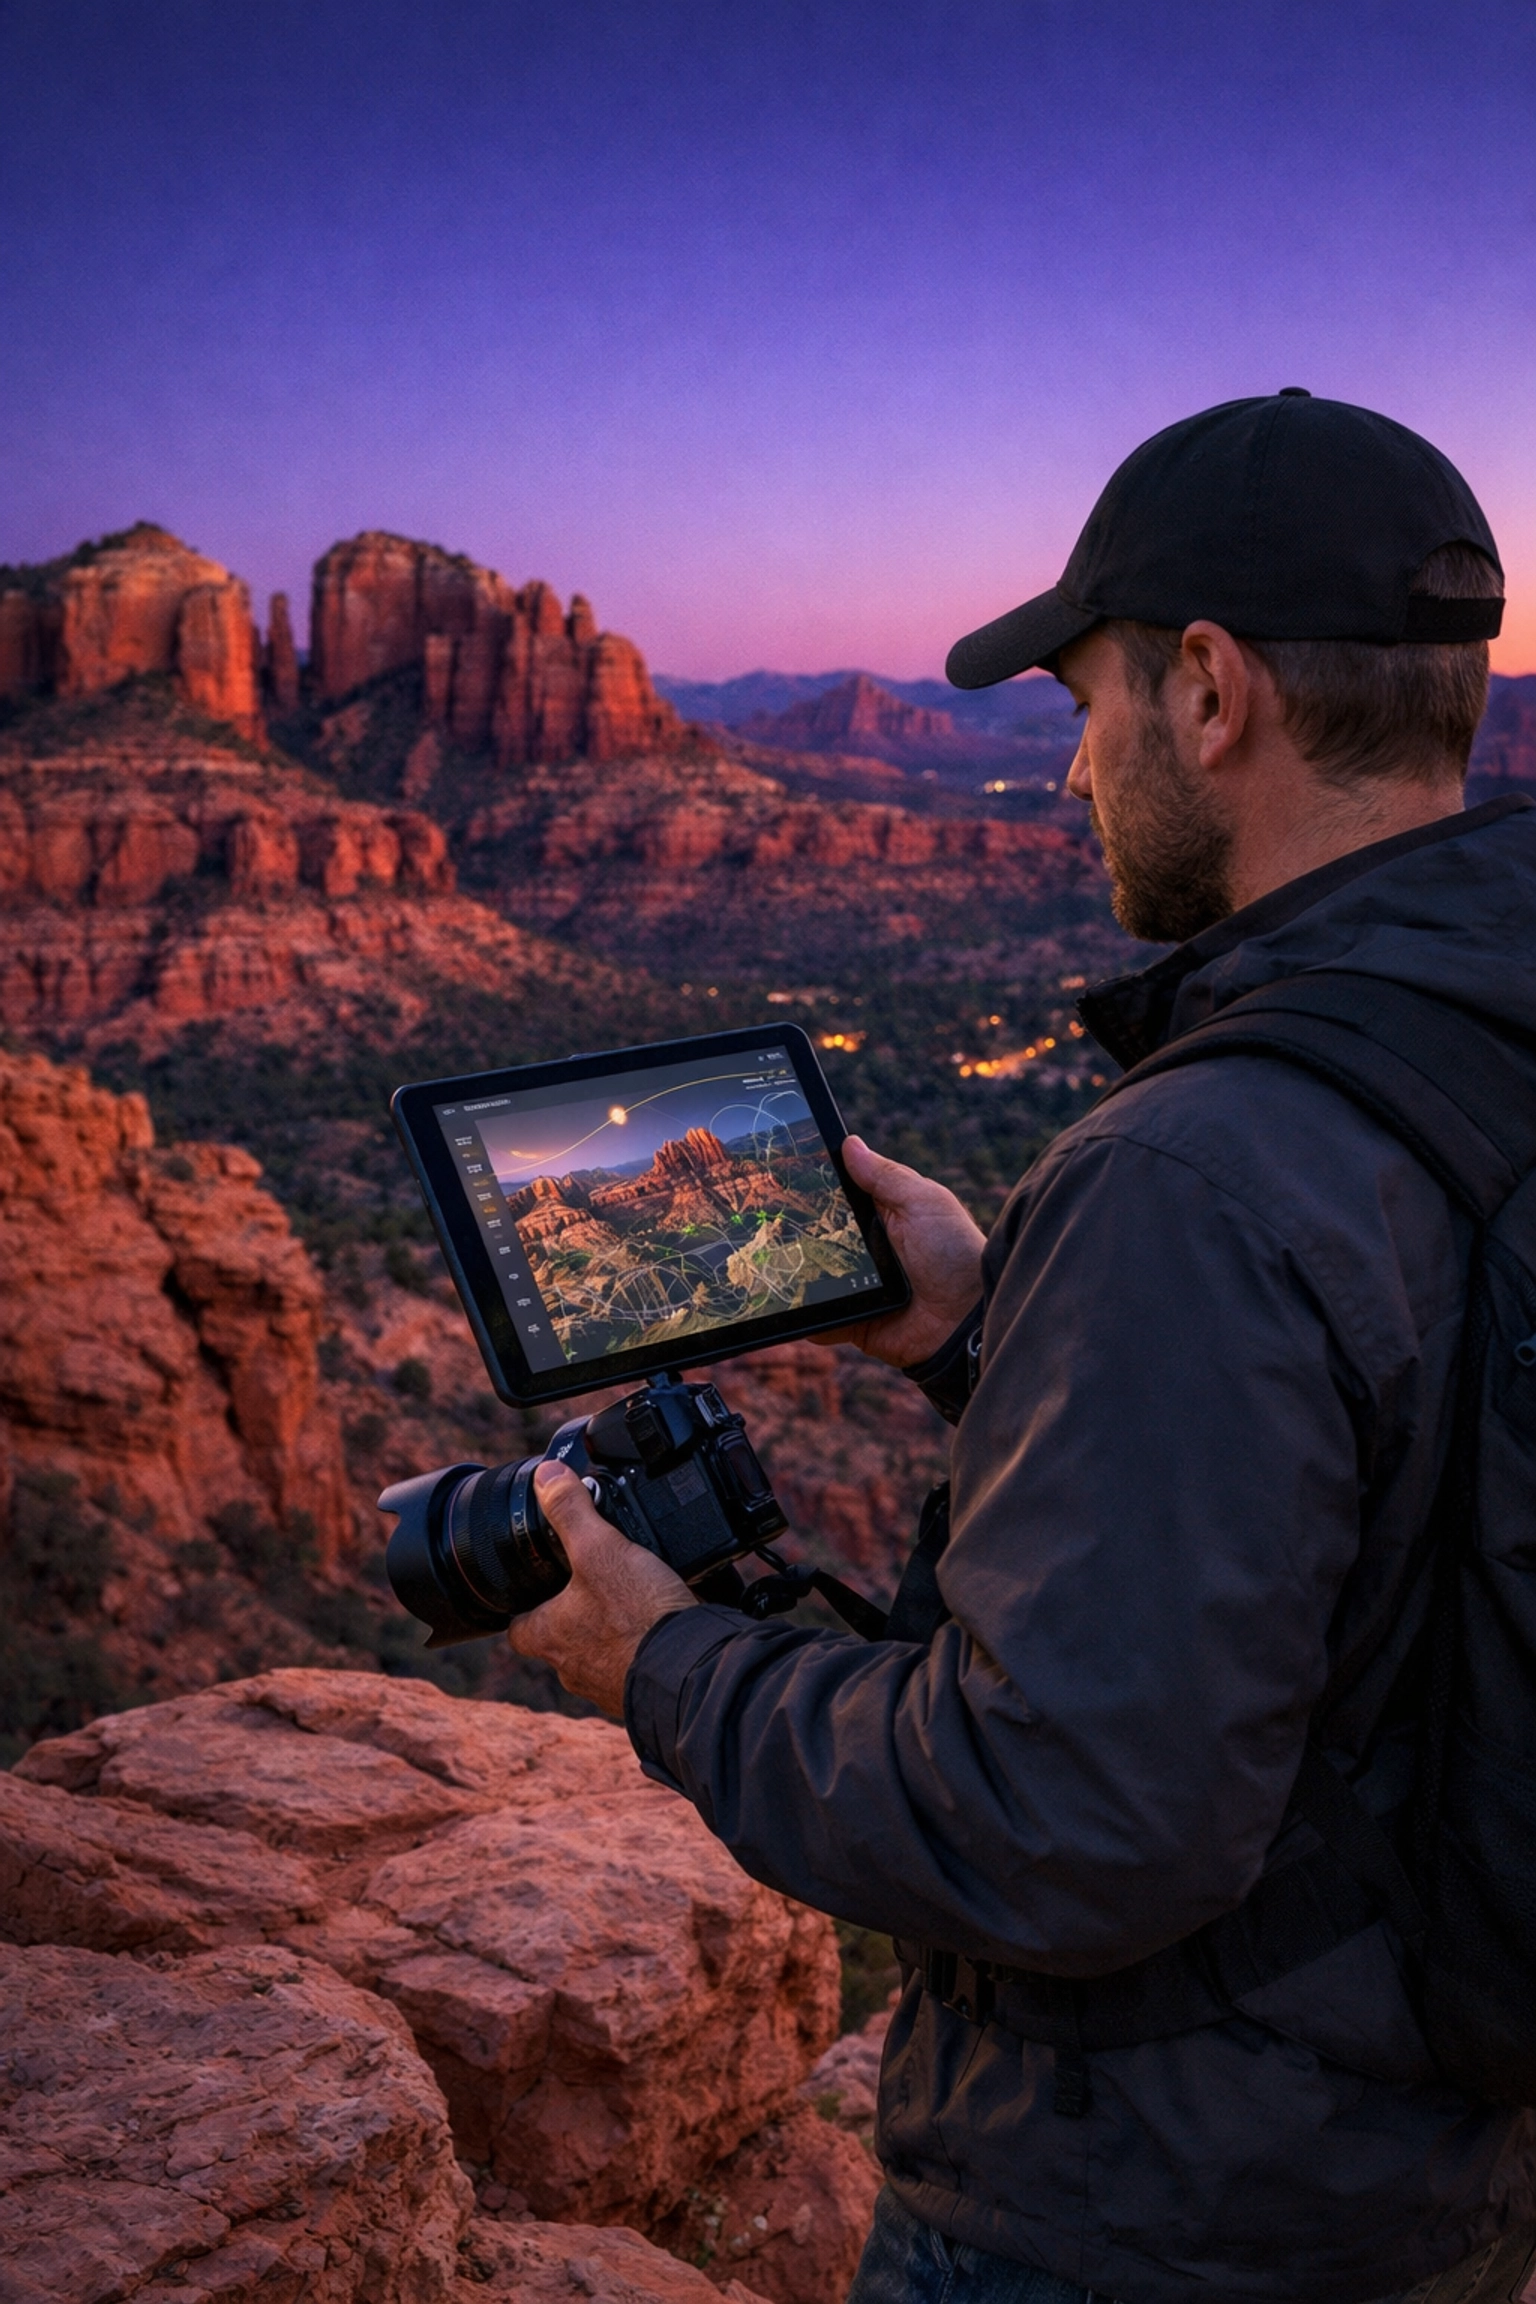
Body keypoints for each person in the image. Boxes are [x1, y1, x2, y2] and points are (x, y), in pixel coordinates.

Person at [509, 392, 1536, 2304]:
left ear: (1210, 693)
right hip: (1442, 2159)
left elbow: (1066, 1817)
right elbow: (1408, 1493)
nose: (1071, 781)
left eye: (1083, 711)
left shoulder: (1196, 1168)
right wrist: (991, 1332)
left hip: (1149, 2213)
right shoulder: (1487, 1027)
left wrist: (663, 1664)